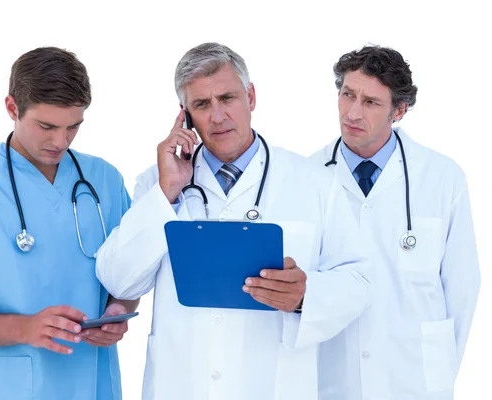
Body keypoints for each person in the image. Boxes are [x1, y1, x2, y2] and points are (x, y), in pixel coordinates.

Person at [95, 42, 371, 400]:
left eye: (227, 98)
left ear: (251, 96)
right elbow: (118, 280)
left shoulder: (314, 182)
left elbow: (359, 280)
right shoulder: (157, 183)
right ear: (186, 115)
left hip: (271, 386)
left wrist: (306, 295)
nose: (218, 116)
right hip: (181, 385)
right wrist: (166, 194)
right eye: (202, 105)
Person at [0, 46, 138, 400]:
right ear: (12, 108)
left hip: (95, 384)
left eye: (74, 127)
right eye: (47, 126)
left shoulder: (104, 179)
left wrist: (119, 310)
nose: (61, 141)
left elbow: (130, 277)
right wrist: (25, 328)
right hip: (13, 389)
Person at [310, 45, 481, 400]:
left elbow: (462, 289)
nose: (353, 113)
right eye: (347, 95)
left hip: (414, 380)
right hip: (330, 378)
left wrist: (439, 370)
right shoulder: (306, 175)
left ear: (398, 111)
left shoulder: (442, 177)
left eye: (370, 102)